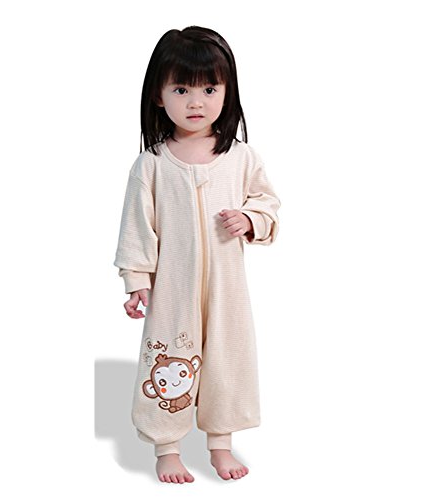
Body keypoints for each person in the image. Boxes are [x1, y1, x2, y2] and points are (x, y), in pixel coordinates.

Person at [113, 26, 281, 483]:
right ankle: (166, 447)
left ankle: (220, 443)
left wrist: (250, 219)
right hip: (173, 287)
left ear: (227, 93)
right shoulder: (152, 163)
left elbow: (267, 203)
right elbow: (137, 227)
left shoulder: (241, 158)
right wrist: (136, 282)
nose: (196, 102)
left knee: (227, 357)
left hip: (227, 289)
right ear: (158, 95)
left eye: (209, 89)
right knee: (167, 358)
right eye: (181, 89)